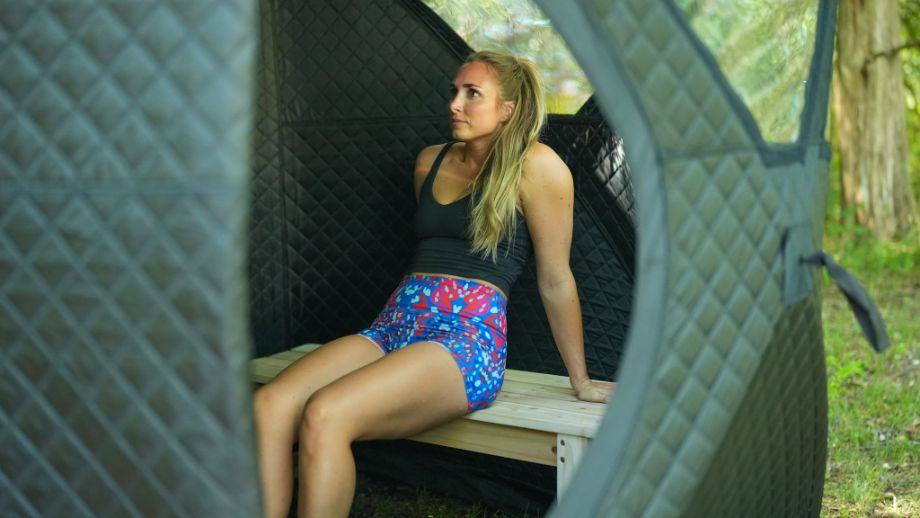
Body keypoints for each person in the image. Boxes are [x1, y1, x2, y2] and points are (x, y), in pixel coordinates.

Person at [252, 49, 613, 518]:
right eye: (454, 92)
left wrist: (580, 381)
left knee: (326, 414)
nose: (455, 104)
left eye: (472, 94)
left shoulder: (538, 167)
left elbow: (555, 279)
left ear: (508, 109)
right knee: (270, 405)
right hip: (394, 325)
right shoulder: (429, 162)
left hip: (465, 340)